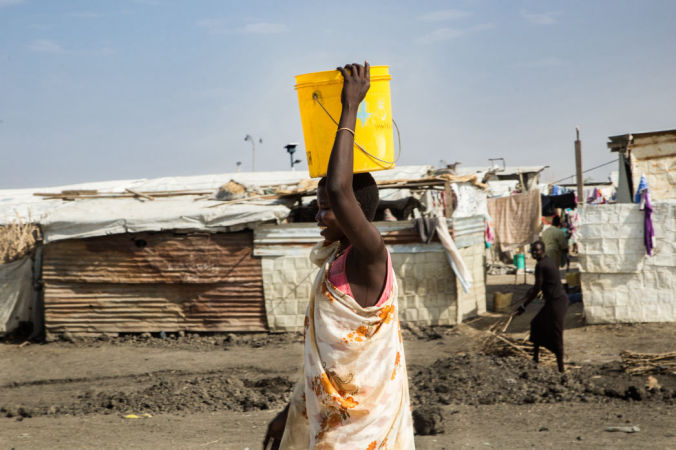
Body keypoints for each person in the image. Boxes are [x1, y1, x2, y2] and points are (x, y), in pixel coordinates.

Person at [263, 62, 414, 449]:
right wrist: (291, 410)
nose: (318, 215)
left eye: (326, 207)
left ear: (355, 214)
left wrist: (349, 107)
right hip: (332, 425)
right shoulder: (334, 264)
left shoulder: (371, 258)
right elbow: (326, 359)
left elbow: (342, 189)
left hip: (366, 432)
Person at [515, 240, 569, 373]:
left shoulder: (541, 265)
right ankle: (535, 358)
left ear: (543, 250)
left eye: (537, 250)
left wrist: (524, 305)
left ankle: (561, 369)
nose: (534, 253)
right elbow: (540, 285)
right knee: (536, 324)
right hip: (553, 302)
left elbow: (537, 288)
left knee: (556, 334)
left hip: (557, 302)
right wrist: (531, 292)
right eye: (533, 250)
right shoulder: (547, 261)